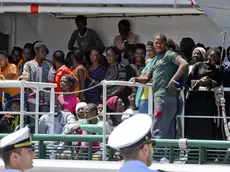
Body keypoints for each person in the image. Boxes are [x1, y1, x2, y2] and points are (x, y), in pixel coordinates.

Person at [130, 34, 188, 139]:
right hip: (159, 96)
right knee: (168, 128)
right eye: (156, 42)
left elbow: (183, 64)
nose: (158, 45)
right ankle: (168, 155)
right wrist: (135, 79)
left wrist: (174, 80)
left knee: (158, 128)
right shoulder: (154, 60)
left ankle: (157, 155)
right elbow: (147, 77)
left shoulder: (169, 54)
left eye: (161, 42)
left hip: (166, 96)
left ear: (165, 44)